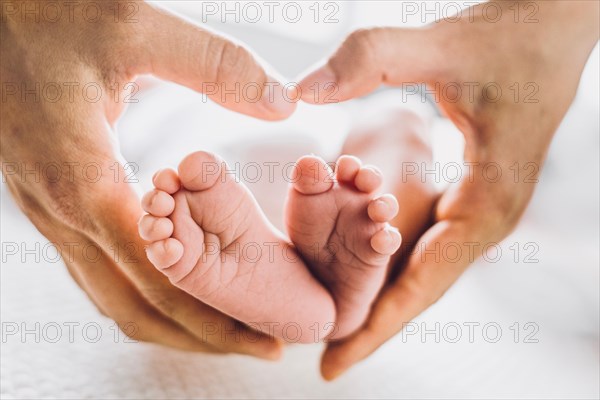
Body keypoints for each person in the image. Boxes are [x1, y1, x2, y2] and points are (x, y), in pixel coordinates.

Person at [1, 0, 598, 379]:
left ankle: (293, 280)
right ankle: (337, 272)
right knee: (400, 137)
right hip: (306, 153)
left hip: (205, 149)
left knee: (178, 182)